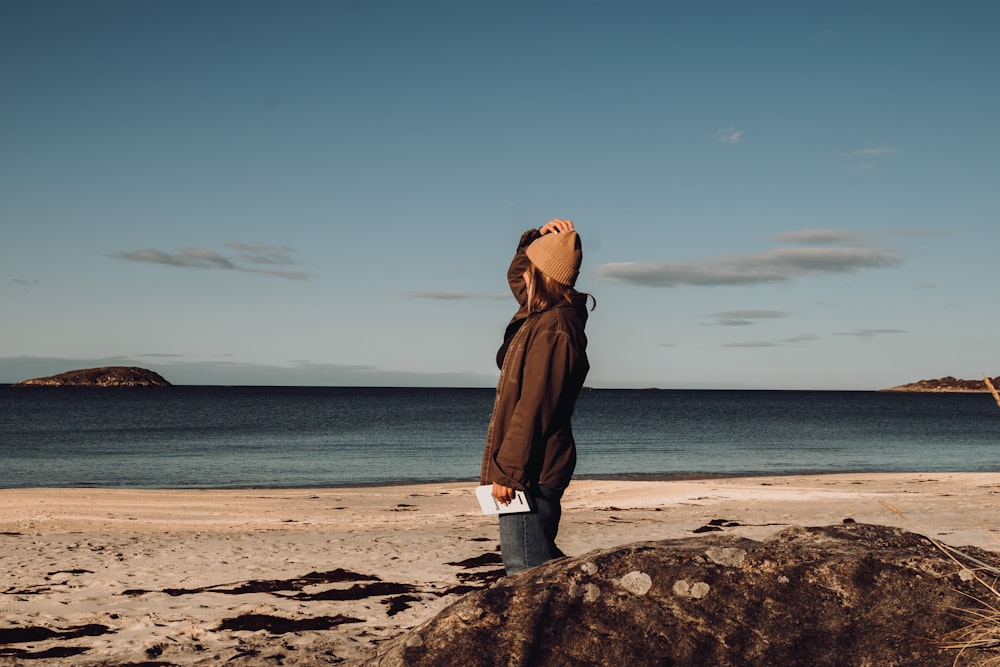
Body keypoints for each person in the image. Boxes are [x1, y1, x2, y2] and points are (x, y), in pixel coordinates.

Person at [480, 218, 594, 575]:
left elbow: (534, 408)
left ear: (542, 276)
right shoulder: (539, 314)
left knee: (525, 567)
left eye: (530, 269)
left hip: (533, 469)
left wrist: (510, 473)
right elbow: (518, 277)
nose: (522, 277)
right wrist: (534, 239)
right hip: (531, 464)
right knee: (536, 558)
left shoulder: (554, 329)